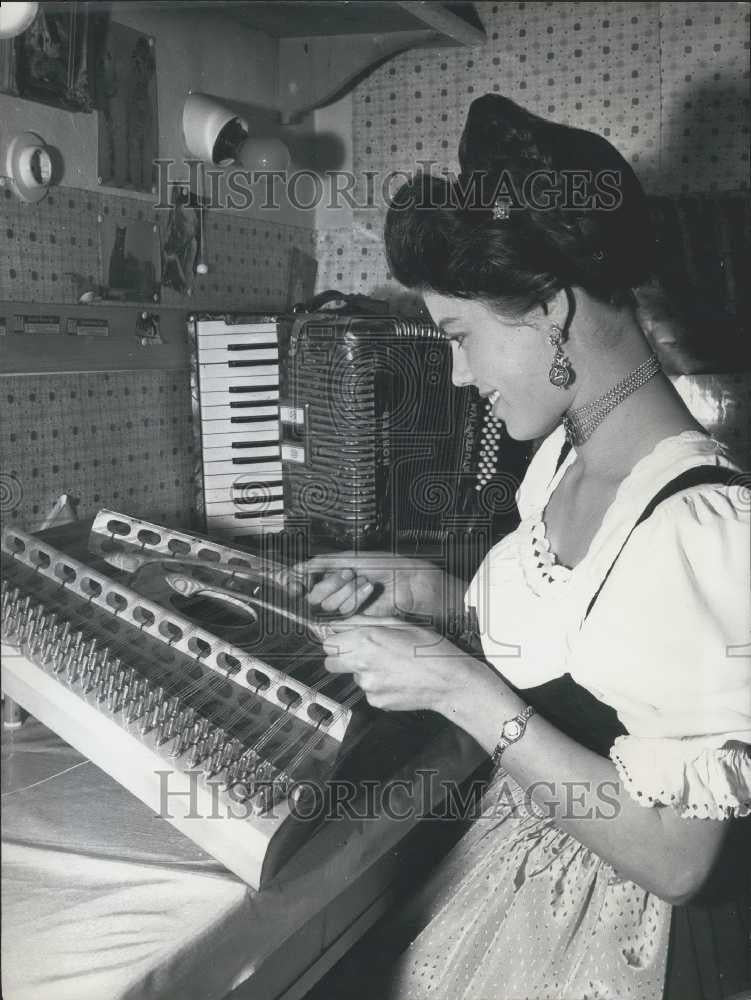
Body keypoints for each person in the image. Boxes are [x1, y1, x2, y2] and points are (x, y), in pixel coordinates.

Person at [291, 95, 751, 1000]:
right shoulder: (562, 464)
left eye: (460, 337)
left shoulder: (699, 533)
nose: (459, 377)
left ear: (548, 308)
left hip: (628, 935)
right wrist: (433, 594)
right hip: (532, 857)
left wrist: (461, 692)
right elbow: (582, 650)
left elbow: (680, 860)